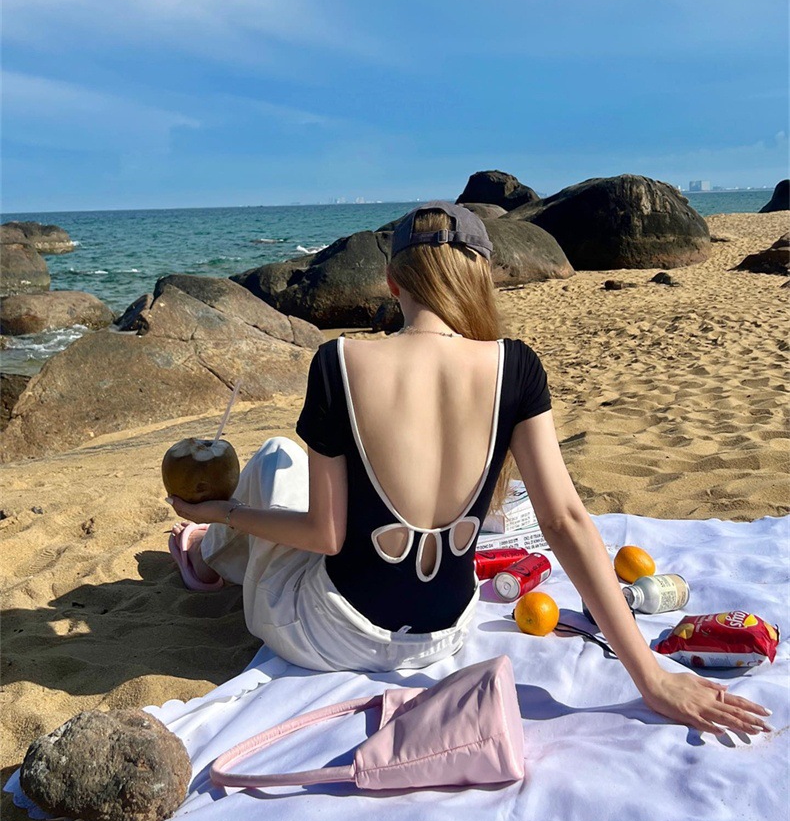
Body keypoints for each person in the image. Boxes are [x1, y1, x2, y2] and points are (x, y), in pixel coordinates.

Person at [167, 200, 770, 738]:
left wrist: (225, 510)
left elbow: (325, 535)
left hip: (338, 634)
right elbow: (565, 521)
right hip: (446, 633)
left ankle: (204, 550)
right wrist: (651, 677)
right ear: (480, 276)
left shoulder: (338, 362)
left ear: (392, 281)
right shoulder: (517, 366)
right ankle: (210, 545)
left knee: (276, 459)